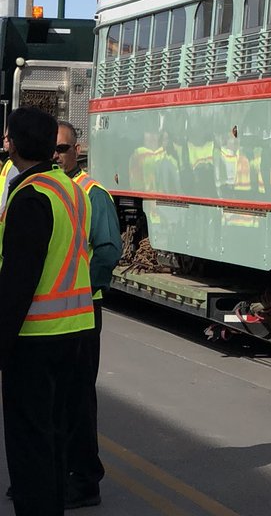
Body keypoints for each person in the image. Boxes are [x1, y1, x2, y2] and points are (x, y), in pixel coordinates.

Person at [0, 106, 94, 516]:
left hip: (35, 336)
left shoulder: (28, 196)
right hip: (75, 329)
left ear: (15, 145)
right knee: (54, 435)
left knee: (28, 441)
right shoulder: (70, 188)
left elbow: (18, 281)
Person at [55, 123, 122, 510]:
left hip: (81, 310)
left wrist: (77, 289)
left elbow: (108, 252)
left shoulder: (92, 194)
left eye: (62, 149)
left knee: (77, 398)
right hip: (54, 311)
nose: (56, 155)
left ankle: (84, 479)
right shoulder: (47, 188)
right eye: (51, 148)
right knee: (55, 398)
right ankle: (56, 473)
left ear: (77, 150)